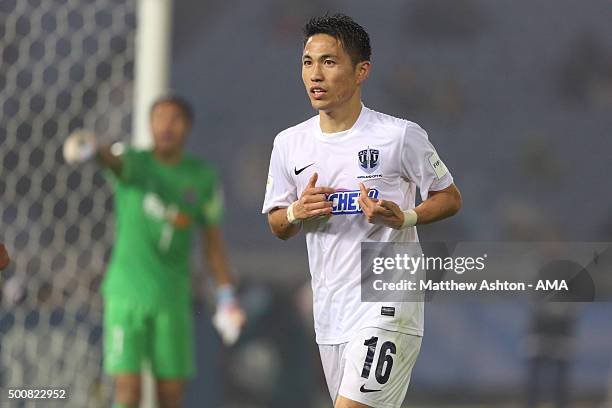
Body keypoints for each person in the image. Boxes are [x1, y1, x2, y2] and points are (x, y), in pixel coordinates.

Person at [262, 14, 462, 408]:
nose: (315, 74)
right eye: (307, 62)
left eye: (329, 62)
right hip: (331, 308)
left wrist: (405, 216)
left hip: (388, 299)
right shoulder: (289, 144)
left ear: (361, 71)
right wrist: (297, 213)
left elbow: (449, 196)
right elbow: (277, 224)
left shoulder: (398, 135)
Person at [64, 96, 245, 408]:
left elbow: (212, 241)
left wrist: (226, 297)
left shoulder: (202, 177)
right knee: (127, 393)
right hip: (126, 295)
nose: (165, 126)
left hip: (172, 299)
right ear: (149, 124)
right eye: (158, 118)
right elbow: (113, 159)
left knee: (171, 397)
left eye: (174, 119)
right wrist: (92, 146)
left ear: (188, 127)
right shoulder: (136, 163)